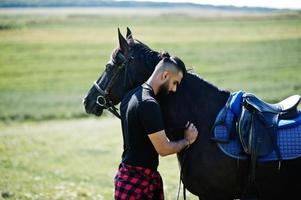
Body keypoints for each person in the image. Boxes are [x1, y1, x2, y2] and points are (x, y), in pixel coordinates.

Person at [114, 56, 198, 200]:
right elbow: (163, 149)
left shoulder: (129, 96)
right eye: (174, 83)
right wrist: (187, 140)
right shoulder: (149, 104)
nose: (174, 89)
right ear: (165, 75)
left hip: (126, 175)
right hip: (140, 182)